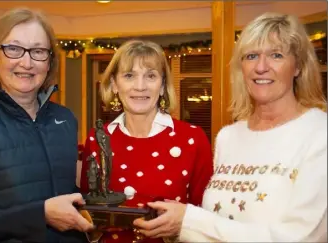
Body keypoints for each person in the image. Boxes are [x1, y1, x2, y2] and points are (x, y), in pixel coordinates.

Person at [133, 12, 327, 242]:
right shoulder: (229, 136)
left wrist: (190, 221)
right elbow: (219, 222)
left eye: (276, 55)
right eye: (251, 56)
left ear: (298, 67)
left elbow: (303, 237)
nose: (261, 67)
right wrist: (175, 224)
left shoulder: (319, 133)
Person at [0, 8, 93, 243]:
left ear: (49, 63)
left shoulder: (65, 119)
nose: (26, 62)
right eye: (13, 49)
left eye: (38, 51)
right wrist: (40, 216)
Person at [80, 40, 214, 243]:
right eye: (129, 76)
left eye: (150, 76)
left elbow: (206, 217)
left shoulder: (192, 139)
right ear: (115, 84)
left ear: (162, 86)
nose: (140, 86)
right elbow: (89, 212)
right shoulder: (97, 138)